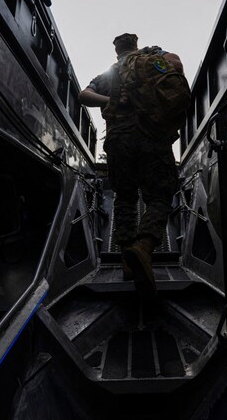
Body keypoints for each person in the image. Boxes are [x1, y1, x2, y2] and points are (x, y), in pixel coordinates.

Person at [78, 33, 182, 298]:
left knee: (124, 197)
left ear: (116, 51)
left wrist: (110, 102)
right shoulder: (152, 59)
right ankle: (144, 247)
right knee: (159, 196)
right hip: (152, 137)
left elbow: (83, 95)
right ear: (136, 45)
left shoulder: (110, 73)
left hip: (118, 139)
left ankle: (127, 259)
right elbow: (176, 71)